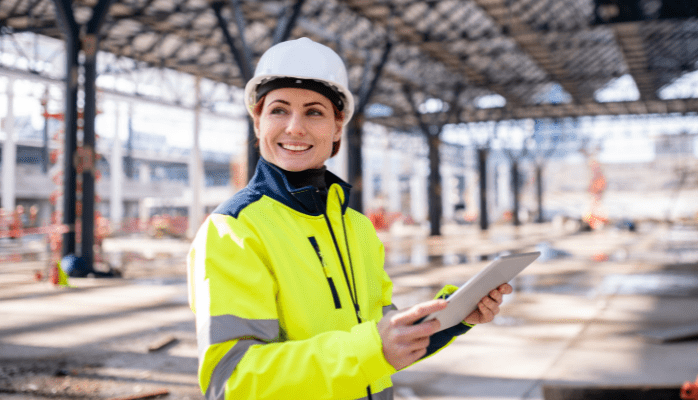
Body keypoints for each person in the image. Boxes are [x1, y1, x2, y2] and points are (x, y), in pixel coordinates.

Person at [187, 37, 513, 400]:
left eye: (314, 112)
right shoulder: (233, 230)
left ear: (338, 127)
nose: (295, 127)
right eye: (279, 110)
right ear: (257, 122)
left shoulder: (356, 228)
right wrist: (373, 350)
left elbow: (386, 339)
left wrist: (454, 318)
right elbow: (232, 381)